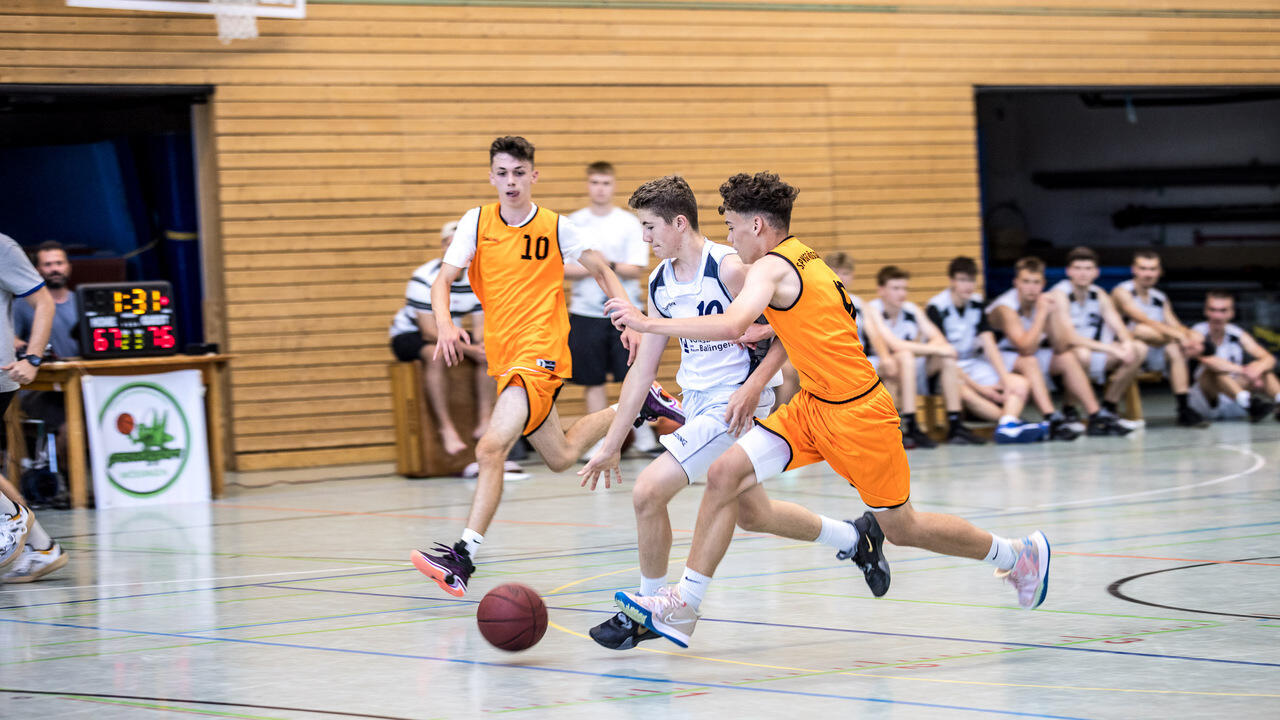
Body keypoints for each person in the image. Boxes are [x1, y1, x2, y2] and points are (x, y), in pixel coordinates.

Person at [605, 172, 1051, 649]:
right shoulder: (803, 256)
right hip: (813, 406)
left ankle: (1016, 555)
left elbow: (733, 323)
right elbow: (813, 319)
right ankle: (685, 604)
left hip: (859, 415)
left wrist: (647, 323)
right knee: (724, 474)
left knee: (904, 528)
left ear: (757, 225)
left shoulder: (770, 268)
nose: (729, 238)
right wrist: (771, 331)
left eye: (732, 227)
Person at [410, 137, 684, 598]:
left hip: (540, 350)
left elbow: (603, 270)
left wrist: (628, 318)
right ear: (491, 177)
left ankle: (462, 556)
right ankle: (639, 404)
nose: (511, 181)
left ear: (533, 176)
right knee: (560, 456)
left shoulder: (556, 226)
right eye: (503, 173)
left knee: (490, 448)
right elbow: (443, 280)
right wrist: (444, 322)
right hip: (506, 357)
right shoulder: (476, 222)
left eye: (520, 173)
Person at [577, 175, 790, 650]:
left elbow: (788, 333)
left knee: (648, 491)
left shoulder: (729, 268)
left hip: (736, 404)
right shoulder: (659, 281)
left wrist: (754, 387)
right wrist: (611, 443)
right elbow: (642, 370)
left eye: (650, 227)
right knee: (754, 514)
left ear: (678, 223)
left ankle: (648, 609)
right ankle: (852, 539)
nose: (644, 238)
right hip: (697, 404)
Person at [566, 162, 660, 458]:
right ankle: (597, 441)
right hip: (586, 312)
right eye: (595, 182)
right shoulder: (573, 223)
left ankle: (644, 437)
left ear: (613, 185)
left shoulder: (628, 223)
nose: (600, 188)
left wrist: (604, 264)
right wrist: (596, 266)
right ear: (588, 185)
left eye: (605, 183)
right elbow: (564, 268)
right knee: (592, 380)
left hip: (625, 312)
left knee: (635, 374)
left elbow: (635, 268)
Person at [986, 257, 1130, 439]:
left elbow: (1060, 346)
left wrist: (1052, 315)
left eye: (1036, 282)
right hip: (994, 359)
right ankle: (1051, 418)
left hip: (1024, 355)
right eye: (1026, 282)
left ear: (1043, 284)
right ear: (1016, 283)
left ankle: (1095, 415)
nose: (1031, 288)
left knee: (1067, 357)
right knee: (1030, 360)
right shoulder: (1005, 307)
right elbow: (1025, 348)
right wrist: (1041, 314)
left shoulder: (1045, 301)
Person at [388, 220, 496, 457]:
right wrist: (469, 350)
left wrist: (481, 347)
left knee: (488, 354)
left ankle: (484, 420)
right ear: (443, 247)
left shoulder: (477, 278)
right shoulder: (424, 278)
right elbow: (429, 332)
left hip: (450, 331)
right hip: (412, 333)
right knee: (435, 355)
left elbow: (480, 327)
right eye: (450, 244)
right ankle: (446, 428)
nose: (456, 250)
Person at [1, 232, 67, 582]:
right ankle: (42, 548)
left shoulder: (2, 247)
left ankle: (12, 517)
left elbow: (44, 302)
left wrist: (33, 358)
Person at [925, 257, 1043, 443]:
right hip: (946, 368)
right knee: (966, 393)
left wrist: (1005, 378)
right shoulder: (936, 306)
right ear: (952, 281)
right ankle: (1011, 423)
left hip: (973, 362)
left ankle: (1007, 425)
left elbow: (989, 344)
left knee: (1019, 383)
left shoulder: (977, 303)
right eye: (963, 280)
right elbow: (944, 355)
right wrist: (981, 389)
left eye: (972, 280)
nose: (968, 286)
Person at [865, 265, 984, 447]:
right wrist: (934, 349)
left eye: (904, 288)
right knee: (907, 355)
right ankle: (912, 425)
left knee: (946, 359)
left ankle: (955, 426)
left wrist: (936, 349)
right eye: (895, 288)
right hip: (882, 366)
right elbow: (894, 345)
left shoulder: (911, 309)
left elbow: (939, 338)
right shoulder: (873, 309)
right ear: (881, 290)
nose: (902, 293)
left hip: (910, 367)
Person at [1048, 247, 1143, 428]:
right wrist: (1110, 348)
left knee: (1139, 349)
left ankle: (1109, 407)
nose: (1083, 273)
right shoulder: (1059, 294)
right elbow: (1069, 338)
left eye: (1088, 268)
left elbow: (1119, 326)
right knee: (1082, 354)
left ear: (1096, 272)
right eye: (1077, 268)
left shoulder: (1099, 293)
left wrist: (1127, 343)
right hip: (1060, 355)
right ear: (1068, 271)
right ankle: (1069, 409)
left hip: (1093, 350)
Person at [1112, 250, 1208, 427]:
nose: (1148, 274)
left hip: (1154, 349)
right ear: (1134, 269)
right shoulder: (1122, 291)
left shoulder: (1159, 297)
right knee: (1142, 330)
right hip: (1126, 351)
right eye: (1143, 268)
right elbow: (1141, 319)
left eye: (1152, 269)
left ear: (1159, 272)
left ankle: (1184, 409)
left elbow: (1175, 324)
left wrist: (1191, 335)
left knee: (1174, 348)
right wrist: (1177, 335)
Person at [12, 241, 81, 464]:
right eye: (48, 264)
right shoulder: (22, 304)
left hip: (81, 384)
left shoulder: (81, 301)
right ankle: (71, 480)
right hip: (40, 389)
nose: (54, 269)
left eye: (59, 263)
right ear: (38, 270)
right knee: (72, 425)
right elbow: (9, 339)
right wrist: (26, 348)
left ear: (68, 266)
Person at [1188, 291, 1280, 423]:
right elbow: (1208, 361)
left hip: (1235, 394)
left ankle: (1275, 400)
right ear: (1205, 311)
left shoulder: (1237, 333)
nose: (1217, 316)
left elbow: (1269, 358)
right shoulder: (1196, 332)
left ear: (1232, 313)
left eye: (1223, 310)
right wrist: (1244, 370)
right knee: (1214, 371)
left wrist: (1258, 368)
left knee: (1265, 370)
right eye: (1213, 310)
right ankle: (1248, 402)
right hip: (1207, 401)